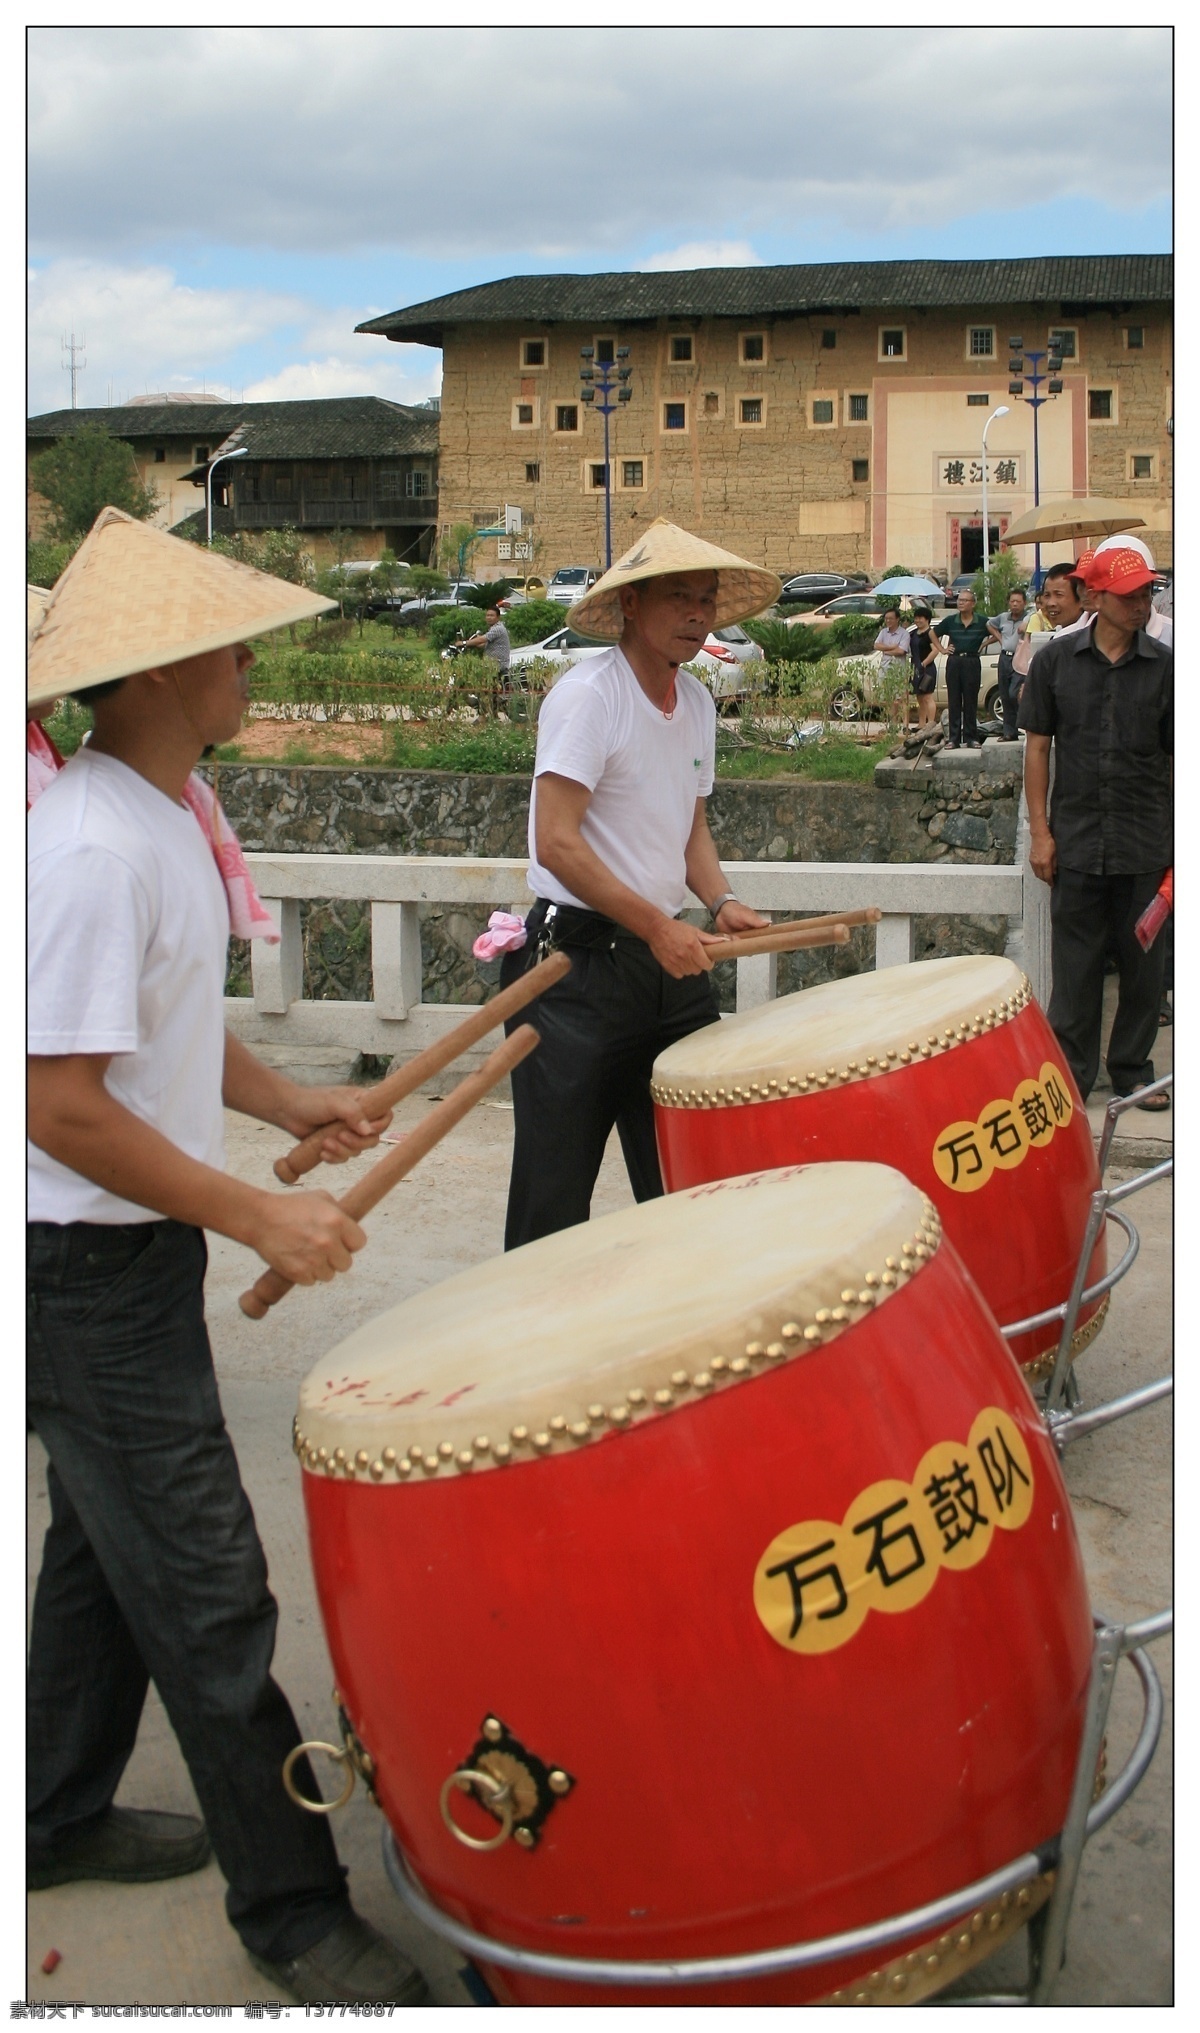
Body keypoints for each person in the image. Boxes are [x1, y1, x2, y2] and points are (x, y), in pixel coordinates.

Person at [26, 508, 428, 2006]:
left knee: (97, 1553)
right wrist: (254, 1211)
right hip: (69, 1267)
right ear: (157, 670)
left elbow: (158, 1041)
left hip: (120, 1262)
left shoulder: (160, 818)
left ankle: (52, 1813)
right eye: (230, 641)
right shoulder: (78, 847)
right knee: (206, 1588)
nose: (250, 660)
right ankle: (295, 1910)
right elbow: (53, 1100)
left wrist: (290, 1102)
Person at [498, 518, 778, 1249]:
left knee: (691, 1185)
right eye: (679, 597)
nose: (696, 614)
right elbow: (556, 841)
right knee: (552, 1202)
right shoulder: (590, 695)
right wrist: (655, 924)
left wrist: (720, 901)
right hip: (577, 973)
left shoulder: (697, 704)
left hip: (671, 970)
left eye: (707, 600)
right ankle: (537, 1351)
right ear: (629, 605)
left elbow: (690, 831)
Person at [1018, 547, 1171, 1111]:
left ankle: (1132, 1069)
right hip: (1077, 839)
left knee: (1144, 967)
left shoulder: (1166, 666)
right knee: (1075, 969)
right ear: (1096, 597)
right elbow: (1037, 748)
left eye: (1147, 594)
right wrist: (1041, 832)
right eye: (1131, 594)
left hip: (1146, 841)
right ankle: (1072, 1073)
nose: (1141, 604)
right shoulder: (1055, 663)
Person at [933, 586, 991, 747]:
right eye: (959, 600)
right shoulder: (951, 621)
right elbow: (932, 633)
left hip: (972, 661)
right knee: (954, 701)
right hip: (954, 661)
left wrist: (985, 642)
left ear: (972, 604)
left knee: (971, 701)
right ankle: (954, 738)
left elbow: (997, 631)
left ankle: (971, 737)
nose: (961, 603)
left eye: (965, 600)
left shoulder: (981, 621)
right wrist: (942, 649)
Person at [985, 588, 1028, 741]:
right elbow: (989, 624)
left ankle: (1023, 724)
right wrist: (998, 637)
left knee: (1014, 693)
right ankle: (1009, 732)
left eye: (1018, 602)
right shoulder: (1003, 617)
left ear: (1024, 603)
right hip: (1004, 659)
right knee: (1004, 694)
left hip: (1020, 659)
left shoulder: (1028, 617)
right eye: (1012, 601)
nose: (1015, 604)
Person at [462, 602, 511, 712]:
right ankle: (493, 715)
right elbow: (483, 644)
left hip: (497, 665)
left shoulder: (498, 629)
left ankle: (482, 716)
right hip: (492, 664)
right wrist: (472, 644)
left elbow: (482, 639)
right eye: (487, 615)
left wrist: (464, 642)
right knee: (488, 690)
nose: (489, 618)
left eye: (492, 615)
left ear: (498, 617)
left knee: (485, 690)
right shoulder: (494, 628)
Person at [873, 606, 911, 728]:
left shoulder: (904, 634)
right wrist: (891, 647)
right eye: (886, 618)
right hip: (885, 668)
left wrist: (887, 651)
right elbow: (876, 645)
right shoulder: (883, 632)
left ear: (897, 619)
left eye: (891, 618)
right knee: (890, 698)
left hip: (899, 669)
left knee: (902, 698)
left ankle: (905, 725)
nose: (888, 621)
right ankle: (893, 725)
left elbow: (901, 651)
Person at [907, 606, 940, 731]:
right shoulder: (913, 633)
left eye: (920, 618)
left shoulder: (930, 634)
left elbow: (935, 650)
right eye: (915, 618)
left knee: (927, 697)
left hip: (927, 669)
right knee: (919, 697)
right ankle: (921, 724)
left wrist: (924, 663)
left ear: (927, 619)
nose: (917, 620)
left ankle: (930, 723)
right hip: (914, 668)